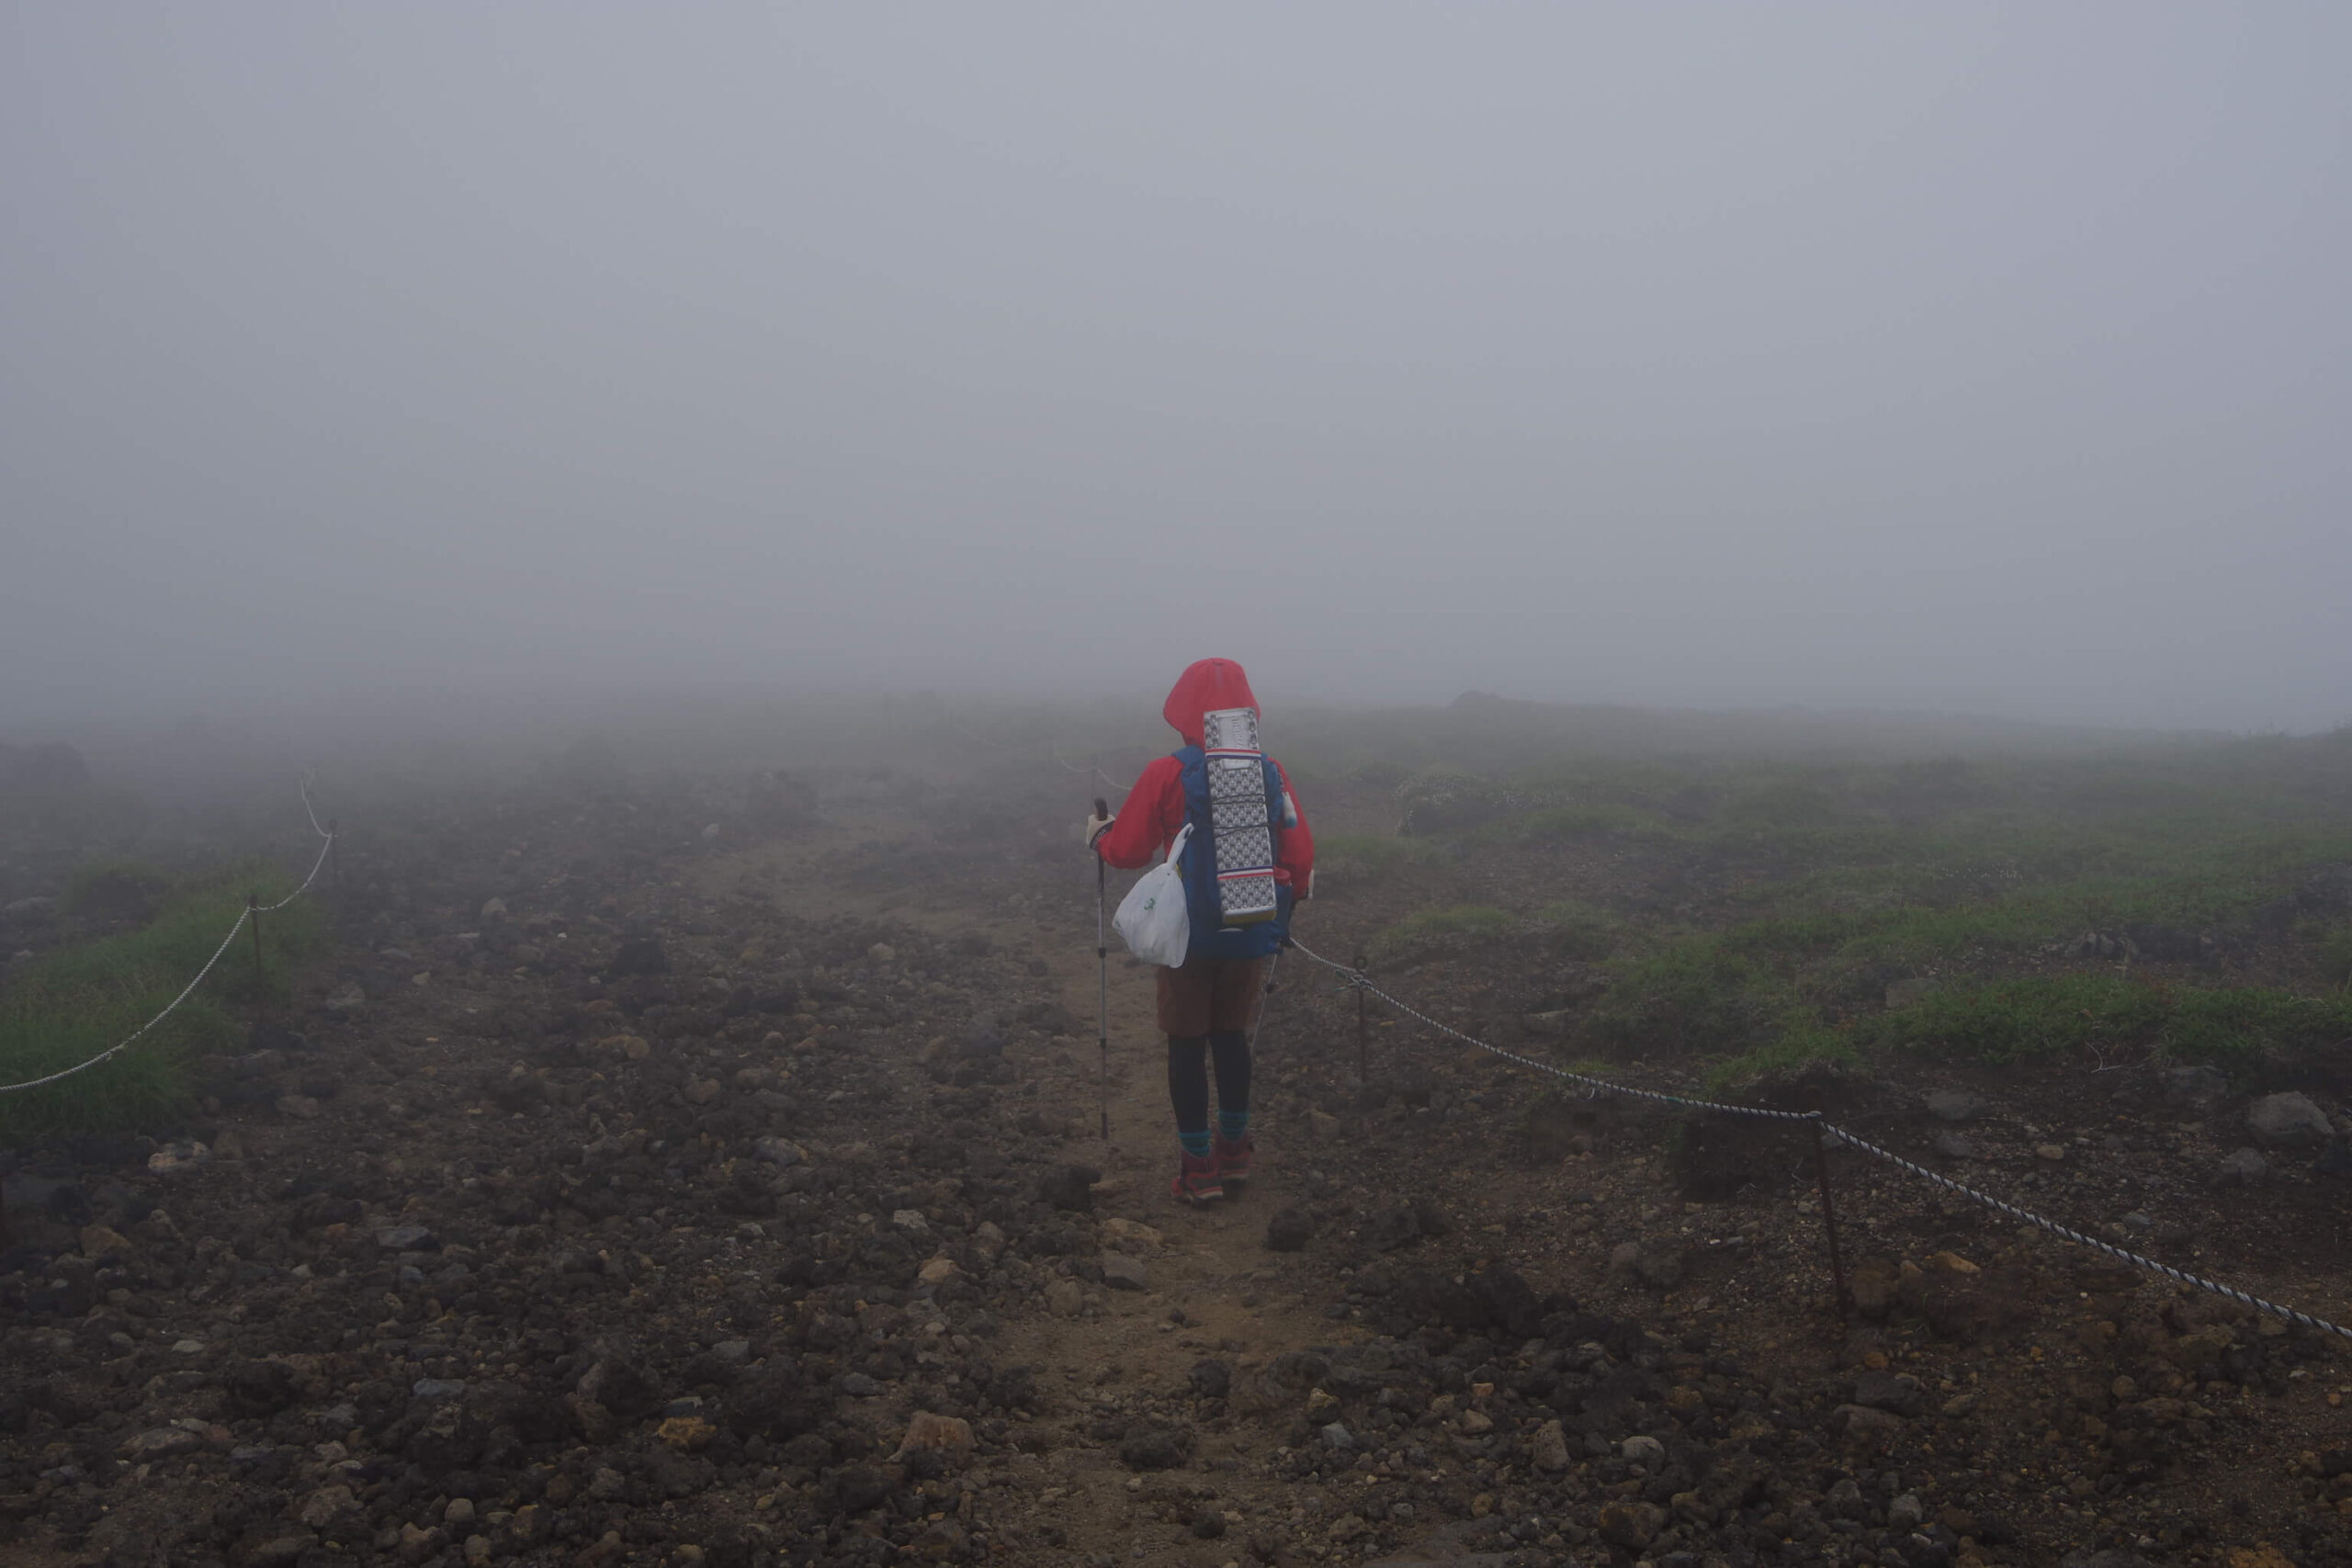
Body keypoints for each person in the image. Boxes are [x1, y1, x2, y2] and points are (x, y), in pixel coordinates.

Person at [1088, 659, 1315, 1206]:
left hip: (1185, 930)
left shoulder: (1167, 772)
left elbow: (1128, 851)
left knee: (1187, 1043)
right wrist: (1284, 908)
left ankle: (1198, 1169)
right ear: (1246, 709)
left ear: (1182, 709)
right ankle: (1234, 1151)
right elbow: (1300, 853)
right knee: (1231, 1036)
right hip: (1251, 918)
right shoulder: (1270, 770)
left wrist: (1099, 837)